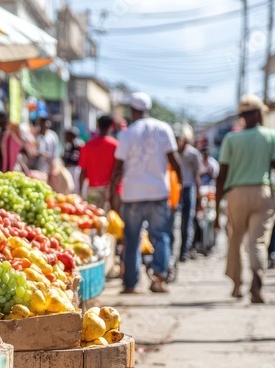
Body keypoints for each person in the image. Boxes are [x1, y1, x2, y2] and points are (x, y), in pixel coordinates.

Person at [213, 95, 275, 304]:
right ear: (258, 114)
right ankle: (257, 277)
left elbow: (221, 175)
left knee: (235, 239)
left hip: (236, 194)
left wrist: (217, 203)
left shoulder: (231, 139)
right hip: (262, 192)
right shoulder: (271, 136)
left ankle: (237, 285)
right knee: (257, 241)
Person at [110, 92, 183, 294]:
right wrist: (183, 188)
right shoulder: (163, 129)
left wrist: (111, 193)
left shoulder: (127, 134)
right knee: (161, 236)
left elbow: (117, 168)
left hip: (132, 194)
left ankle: (131, 283)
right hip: (158, 192)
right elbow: (175, 162)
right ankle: (159, 278)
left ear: (132, 111)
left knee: (132, 239)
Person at [175, 123, 203, 262]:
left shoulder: (192, 154)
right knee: (174, 222)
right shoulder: (172, 152)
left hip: (188, 188)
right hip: (175, 189)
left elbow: (197, 175)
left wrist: (199, 196)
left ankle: (184, 251)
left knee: (187, 222)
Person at [79, 116, 119, 209]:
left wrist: (81, 192)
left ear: (97, 126)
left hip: (93, 189)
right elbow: (118, 171)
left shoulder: (87, 146)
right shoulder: (116, 145)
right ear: (111, 127)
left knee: (94, 219)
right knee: (111, 221)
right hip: (110, 189)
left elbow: (83, 172)